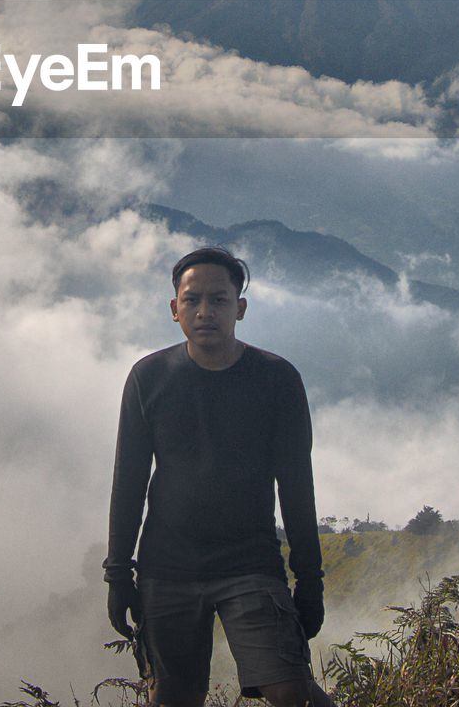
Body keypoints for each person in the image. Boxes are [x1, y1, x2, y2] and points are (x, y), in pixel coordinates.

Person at [103, 245, 335, 707]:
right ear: (175, 309)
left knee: (290, 689)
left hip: (250, 562)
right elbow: (128, 481)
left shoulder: (276, 379)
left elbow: (296, 486)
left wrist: (309, 580)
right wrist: (118, 573)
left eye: (219, 300)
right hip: (166, 567)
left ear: (240, 308)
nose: (204, 311)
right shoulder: (148, 378)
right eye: (192, 300)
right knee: (174, 698)